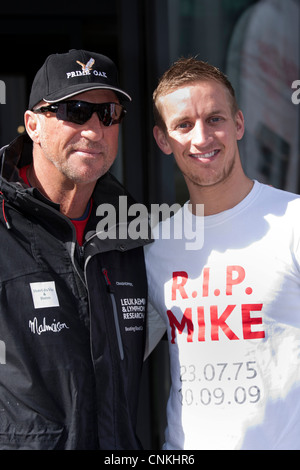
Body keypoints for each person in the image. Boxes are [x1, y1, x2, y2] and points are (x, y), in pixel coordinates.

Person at [144, 57, 300, 450]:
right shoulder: (155, 248)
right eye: (183, 125)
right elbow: (112, 359)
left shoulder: (293, 221)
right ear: (164, 140)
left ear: (239, 125)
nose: (201, 137)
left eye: (215, 119)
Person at [0, 49, 150, 450]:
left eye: (108, 114)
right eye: (76, 110)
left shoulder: (135, 233)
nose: (94, 130)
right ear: (32, 124)